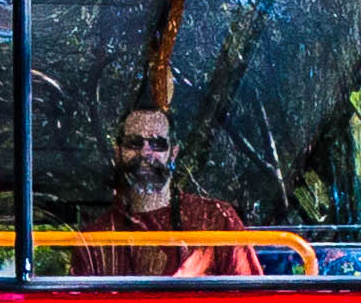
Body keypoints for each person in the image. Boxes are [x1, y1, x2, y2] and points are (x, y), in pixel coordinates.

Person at [72, 106, 255, 276]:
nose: (145, 153)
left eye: (157, 144)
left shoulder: (217, 221)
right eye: (134, 143)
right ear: (118, 152)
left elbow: (253, 300)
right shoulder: (94, 241)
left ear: (173, 153)